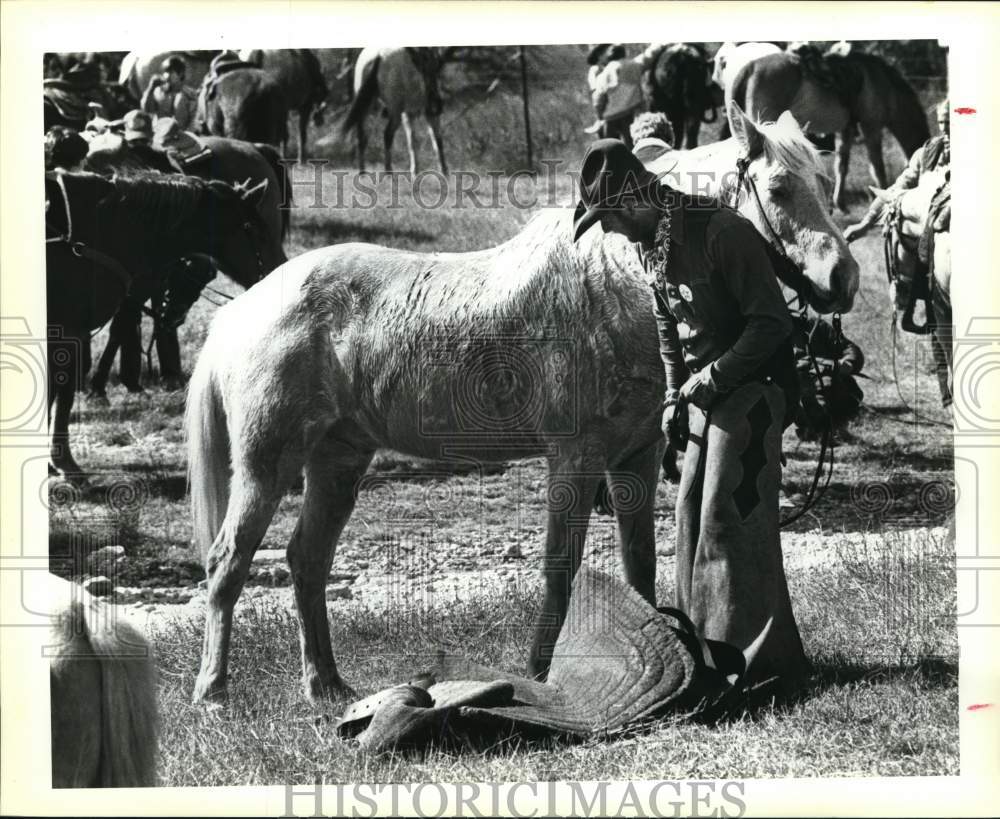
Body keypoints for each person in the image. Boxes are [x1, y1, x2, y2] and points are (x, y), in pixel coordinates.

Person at [572, 139, 809, 692]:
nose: (608, 230)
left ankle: (758, 666)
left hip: (758, 386)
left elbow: (772, 325)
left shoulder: (721, 231)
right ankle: (700, 657)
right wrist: (676, 393)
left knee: (727, 511)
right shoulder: (648, 241)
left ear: (634, 196)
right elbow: (666, 323)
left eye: (608, 216)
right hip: (706, 394)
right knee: (687, 515)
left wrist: (711, 379)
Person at [843, 98, 950, 244]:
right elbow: (896, 190)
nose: (945, 129)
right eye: (941, 122)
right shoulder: (926, 154)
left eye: (950, 122)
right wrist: (865, 224)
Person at [791, 313, 865, 441]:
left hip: (829, 381)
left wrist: (849, 362)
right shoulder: (764, 331)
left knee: (831, 387)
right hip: (795, 386)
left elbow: (848, 348)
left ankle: (832, 425)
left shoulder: (813, 325)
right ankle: (816, 427)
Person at [585, 44, 644, 147]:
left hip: (613, 112)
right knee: (612, 144)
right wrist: (600, 116)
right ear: (599, 56)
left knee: (622, 143)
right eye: (603, 52)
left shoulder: (609, 67)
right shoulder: (595, 70)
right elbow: (597, 94)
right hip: (609, 111)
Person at [141, 55, 197, 131]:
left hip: (181, 136)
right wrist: (150, 89)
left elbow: (194, 119)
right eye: (165, 72)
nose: (166, 76)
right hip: (160, 134)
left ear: (180, 74)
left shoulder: (189, 94)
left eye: (170, 72)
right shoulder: (158, 92)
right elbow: (147, 109)